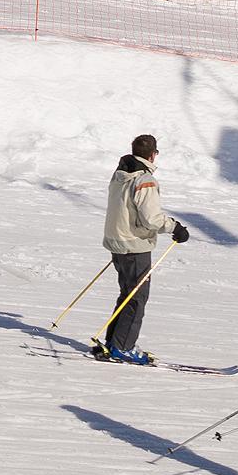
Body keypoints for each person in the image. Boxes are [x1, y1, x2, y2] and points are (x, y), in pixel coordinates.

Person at [91, 131, 190, 365]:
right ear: (153, 155)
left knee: (127, 294)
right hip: (135, 245)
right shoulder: (144, 179)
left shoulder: (120, 174)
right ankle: (123, 347)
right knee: (137, 298)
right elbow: (151, 218)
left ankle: (114, 342)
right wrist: (175, 227)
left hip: (117, 242)